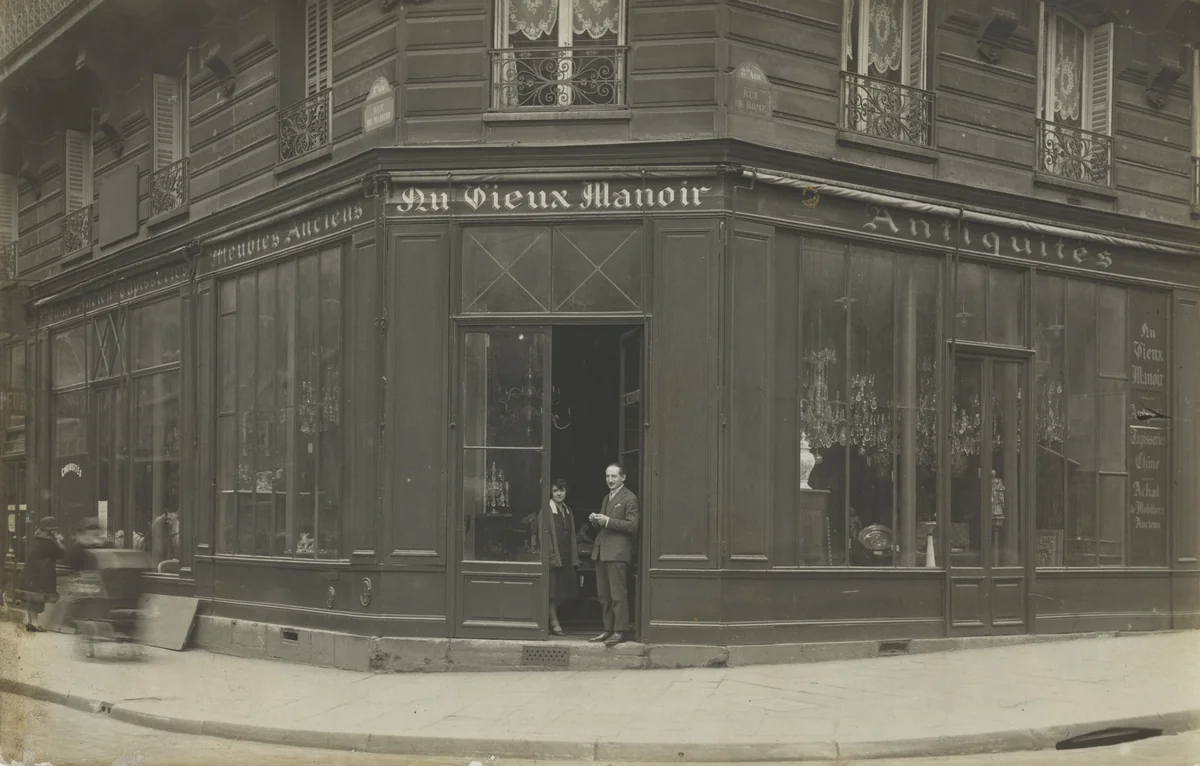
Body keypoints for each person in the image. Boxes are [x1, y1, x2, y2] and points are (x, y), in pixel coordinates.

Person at [588, 463, 639, 647]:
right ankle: (608, 629)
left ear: (623, 478)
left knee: (618, 594)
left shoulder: (630, 498)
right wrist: (596, 520)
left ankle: (620, 631)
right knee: (604, 595)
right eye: (607, 476)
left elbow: (632, 526)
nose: (610, 480)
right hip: (602, 551)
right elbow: (605, 524)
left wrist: (607, 520)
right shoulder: (606, 498)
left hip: (617, 553)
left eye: (614, 476)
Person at [543, 479, 579, 636]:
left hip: (566, 556)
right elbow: (543, 537)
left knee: (564, 592)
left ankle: (549, 618)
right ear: (551, 492)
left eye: (562, 490)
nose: (559, 493)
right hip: (552, 557)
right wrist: (551, 557)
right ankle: (553, 621)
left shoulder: (568, 510)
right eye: (556, 490)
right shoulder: (546, 511)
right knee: (552, 592)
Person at [18, 517, 65, 633]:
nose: (55, 532)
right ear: (50, 530)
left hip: (32, 572)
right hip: (43, 573)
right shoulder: (48, 541)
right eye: (54, 529)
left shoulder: (36, 538)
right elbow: (60, 554)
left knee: (33, 597)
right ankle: (35, 623)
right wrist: (59, 541)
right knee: (42, 598)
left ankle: (31, 622)